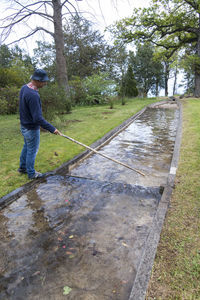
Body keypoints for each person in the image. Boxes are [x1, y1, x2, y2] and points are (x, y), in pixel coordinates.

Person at [18, 69, 62, 179]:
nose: (45, 83)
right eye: (44, 81)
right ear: (37, 80)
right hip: (31, 128)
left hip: (24, 126)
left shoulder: (24, 88)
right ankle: (31, 173)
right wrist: (52, 129)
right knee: (32, 150)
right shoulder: (33, 95)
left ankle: (23, 168)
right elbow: (37, 118)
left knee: (27, 146)